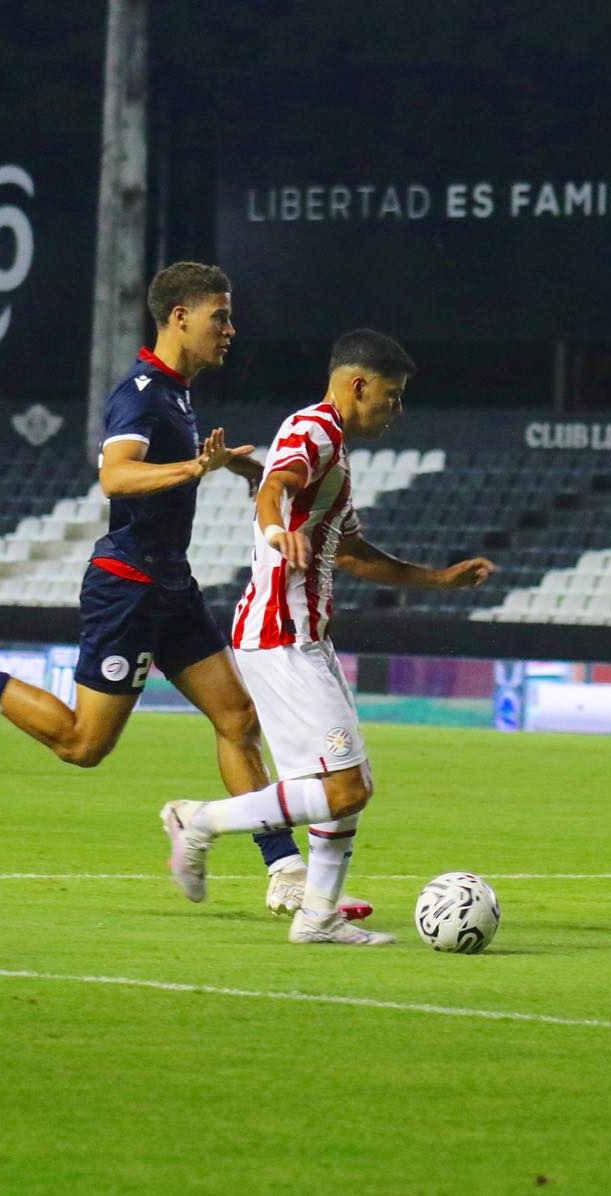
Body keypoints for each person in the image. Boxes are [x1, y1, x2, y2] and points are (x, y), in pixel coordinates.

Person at [0, 262, 353, 916]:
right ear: (179, 316)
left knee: (237, 719)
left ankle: (283, 869)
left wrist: (232, 468)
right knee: (82, 744)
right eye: (220, 317)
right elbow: (116, 478)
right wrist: (194, 467)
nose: (230, 330)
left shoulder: (176, 393)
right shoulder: (141, 393)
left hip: (169, 582)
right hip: (127, 587)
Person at [157, 328, 495, 945]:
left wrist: (438, 579)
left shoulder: (332, 449)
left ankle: (317, 917)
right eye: (392, 395)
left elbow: (355, 554)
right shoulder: (314, 430)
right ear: (358, 385)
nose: (398, 408)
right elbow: (275, 489)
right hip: (280, 635)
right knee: (346, 787)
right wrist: (274, 531)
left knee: (345, 787)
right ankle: (198, 820)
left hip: (305, 637)